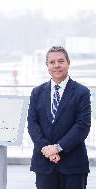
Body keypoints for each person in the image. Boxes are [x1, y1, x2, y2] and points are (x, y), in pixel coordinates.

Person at [27, 46, 91, 189]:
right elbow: (32, 124)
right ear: (47, 65)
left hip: (73, 164)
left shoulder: (82, 92)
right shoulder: (36, 92)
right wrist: (46, 149)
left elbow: (82, 126)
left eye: (61, 61)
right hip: (44, 164)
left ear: (68, 62)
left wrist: (57, 147)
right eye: (52, 62)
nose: (56, 65)